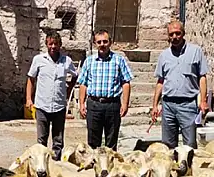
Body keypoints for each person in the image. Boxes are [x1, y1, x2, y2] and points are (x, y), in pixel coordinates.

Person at [151, 20, 209, 149]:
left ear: (183, 33)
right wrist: (155, 105)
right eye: (171, 34)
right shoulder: (164, 55)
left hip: (188, 105)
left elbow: (202, 78)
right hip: (168, 106)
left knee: (189, 145)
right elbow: (160, 81)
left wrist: (203, 101)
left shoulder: (195, 51)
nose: (174, 37)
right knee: (168, 145)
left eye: (177, 33)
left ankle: (189, 168)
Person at [77, 29, 133, 151]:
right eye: (99, 42)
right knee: (92, 140)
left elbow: (126, 82)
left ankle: (110, 166)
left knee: (111, 140)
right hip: (94, 104)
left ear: (110, 42)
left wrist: (125, 103)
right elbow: (83, 84)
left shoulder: (119, 60)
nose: (102, 44)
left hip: (112, 105)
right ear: (95, 44)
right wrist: (81, 103)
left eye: (105, 41)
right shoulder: (89, 61)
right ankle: (93, 167)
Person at [25, 31, 78, 160]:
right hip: (42, 106)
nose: (53, 46)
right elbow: (31, 79)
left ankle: (55, 165)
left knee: (58, 140)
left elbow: (75, 75)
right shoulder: (38, 60)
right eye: (50, 44)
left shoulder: (66, 61)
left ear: (60, 45)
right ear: (46, 44)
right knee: (41, 140)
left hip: (59, 107)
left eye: (56, 44)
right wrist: (28, 99)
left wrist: (69, 88)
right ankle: (41, 165)